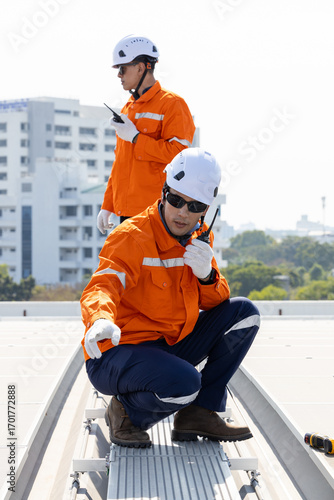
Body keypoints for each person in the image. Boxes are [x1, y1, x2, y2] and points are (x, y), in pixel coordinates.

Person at [81, 147, 261, 448]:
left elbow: (217, 303)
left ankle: (199, 413)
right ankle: (125, 413)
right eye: (176, 200)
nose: (182, 212)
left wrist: (207, 275)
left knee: (245, 313)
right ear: (164, 192)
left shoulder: (200, 238)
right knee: (185, 383)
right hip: (117, 351)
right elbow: (103, 284)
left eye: (194, 206)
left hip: (168, 345)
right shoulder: (132, 236)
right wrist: (100, 318)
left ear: (206, 209)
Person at [97, 34, 196, 233]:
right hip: (126, 213)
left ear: (141, 68)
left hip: (156, 213)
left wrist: (136, 138)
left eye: (122, 68)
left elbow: (179, 156)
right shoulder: (128, 108)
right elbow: (120, 164)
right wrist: (108, 206)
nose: (119, 75)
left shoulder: (172, 104)